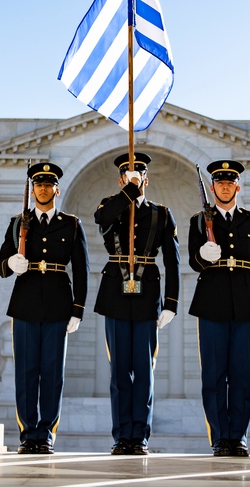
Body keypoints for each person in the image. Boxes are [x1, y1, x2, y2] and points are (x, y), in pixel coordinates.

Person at [0, 162, 89, 454]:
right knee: (26, 372)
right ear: (33, 189)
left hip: (58, 306)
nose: (43, 189)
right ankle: (28, 433)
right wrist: (11, 263)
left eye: (48, 185)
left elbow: (82, 271)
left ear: (57, 190)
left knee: (52, 373)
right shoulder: (18, 223)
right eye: (38, 184)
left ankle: (46, 432)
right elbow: (1, 265)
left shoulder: (72, 223)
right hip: (24, 305)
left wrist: (77, 310)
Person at [94, 152, 179, 455]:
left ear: (147, 178)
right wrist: (127, 193)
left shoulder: (160, 213)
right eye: (127, 176)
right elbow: (101, 220)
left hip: (147, 297)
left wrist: (171, 303)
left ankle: (139, 435)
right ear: (120, 180)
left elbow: (172, 259)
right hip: (115, 295)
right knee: (119, 372)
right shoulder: (110, 206)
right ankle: (121, 436)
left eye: (138, 175)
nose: (133, 179)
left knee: (143, 370)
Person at [188, 160, 250, 457]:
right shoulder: (200, 220)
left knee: (241, 375)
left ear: (238, 186)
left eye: (230, 182)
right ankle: (220, 437)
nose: (225, 186)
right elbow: (192, 261)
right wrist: (203, 254)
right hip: (212, 303)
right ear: (212, 188)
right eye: (219, 182)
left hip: (247, 302)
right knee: (213, 375)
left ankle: (238, 436)